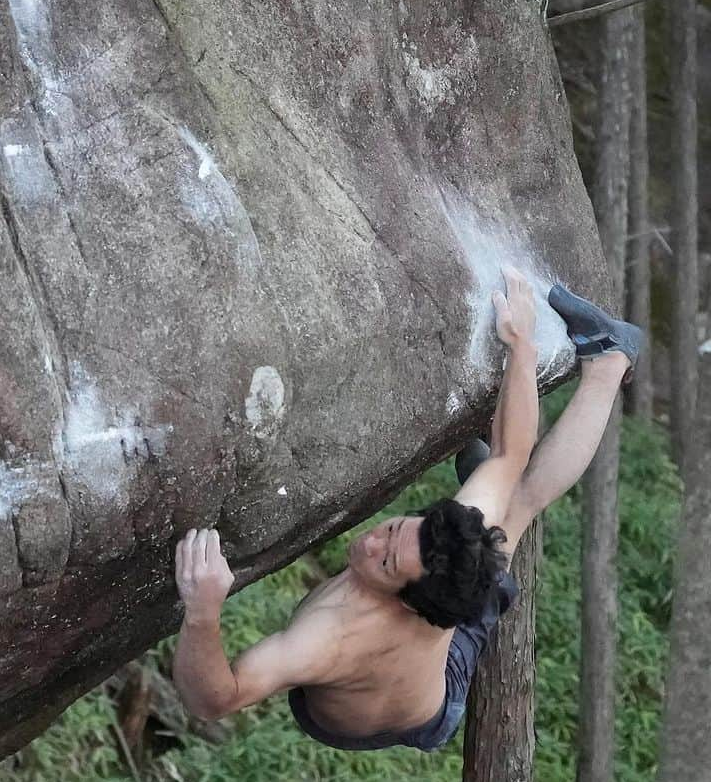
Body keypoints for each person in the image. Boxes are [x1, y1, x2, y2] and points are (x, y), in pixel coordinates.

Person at [172, 267, 642, 751]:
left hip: (416, 709)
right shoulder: (439, 556)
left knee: (514, 504)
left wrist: (203, 614)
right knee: (508, 494)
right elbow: (510, 452)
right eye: (394, 528)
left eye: (385, 560)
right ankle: (606, 365)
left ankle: (607, 367)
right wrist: (521, 345)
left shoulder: (328, 636)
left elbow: (214, 700)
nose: (369, 542)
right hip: (428, 670)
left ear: (406, 598)